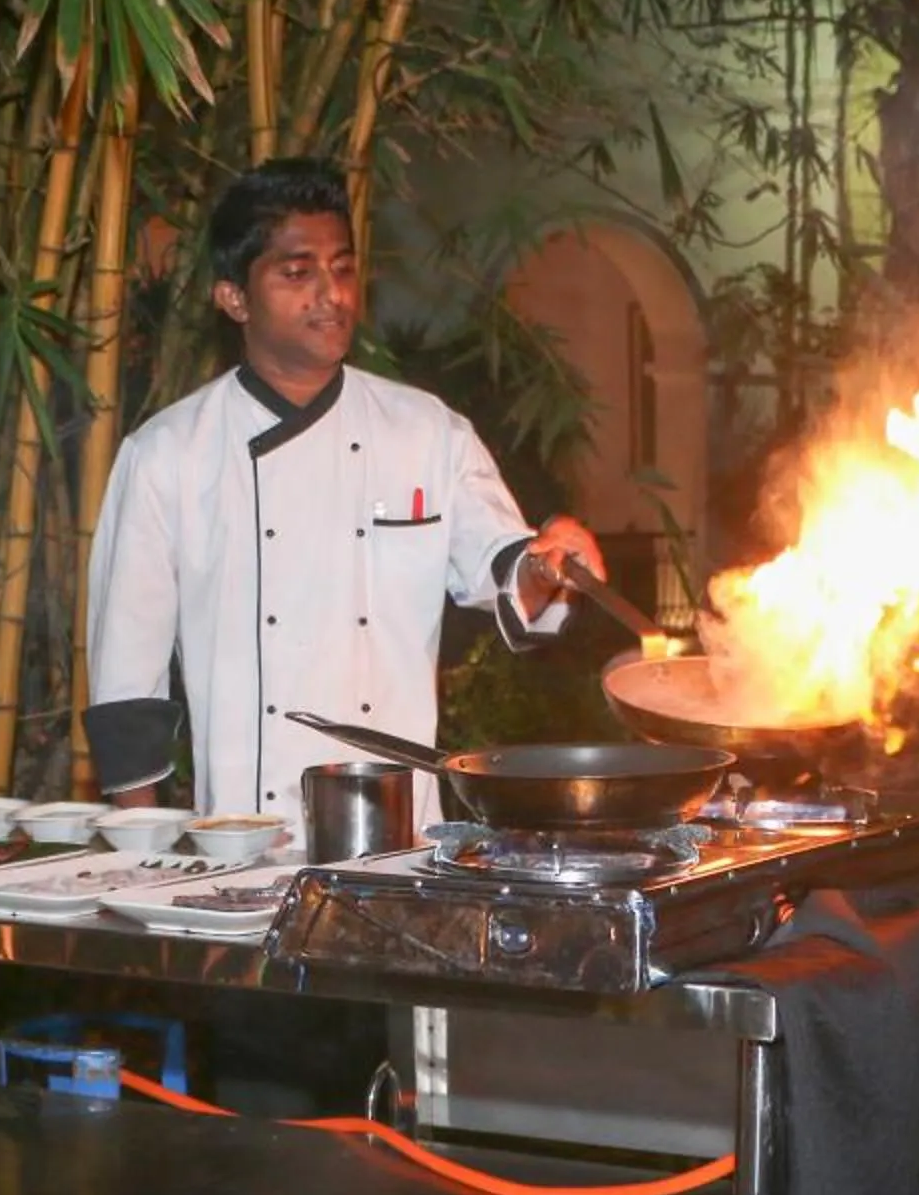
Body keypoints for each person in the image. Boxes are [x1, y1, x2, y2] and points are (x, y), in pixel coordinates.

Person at [82, 156, 606, 826]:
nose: (330, 293)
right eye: (297, 273)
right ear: (233, 297)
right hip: (248, 842)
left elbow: (505, 571)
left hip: (404, 833)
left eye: (343, 267)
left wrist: (547, 561)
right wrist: (142, 854)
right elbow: (127, 684)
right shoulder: (168, 455)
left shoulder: (426, 432)